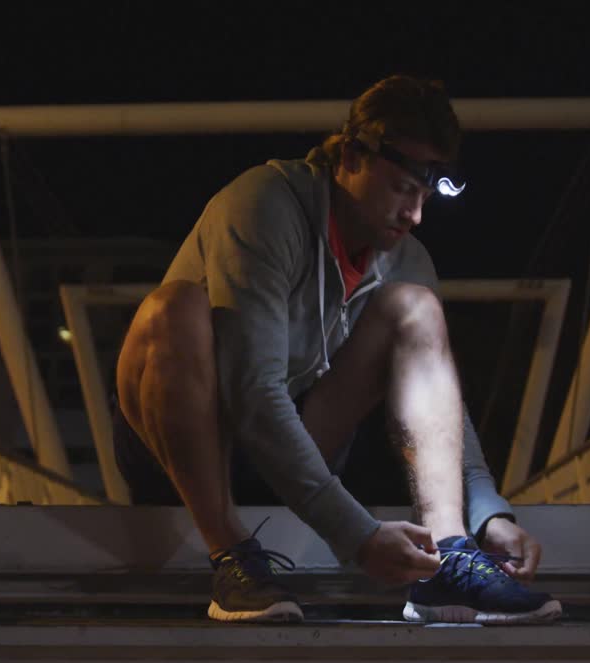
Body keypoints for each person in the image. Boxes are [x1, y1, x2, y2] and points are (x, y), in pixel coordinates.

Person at [112, 75, 561, 624]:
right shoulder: (266, 205)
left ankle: (449, 558)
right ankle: (233, 556)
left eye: (425, 196)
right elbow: (252, 390)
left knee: (416, 307)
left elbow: (441, 405)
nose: (414, 214)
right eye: (401, 188)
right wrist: (359, 535)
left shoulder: (408, 258)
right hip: (186, 443)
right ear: (350, 155)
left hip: (291, 440)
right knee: (174, 308)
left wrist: (490, 512)